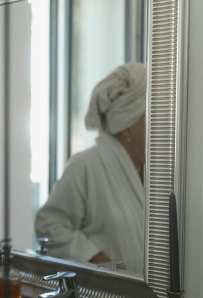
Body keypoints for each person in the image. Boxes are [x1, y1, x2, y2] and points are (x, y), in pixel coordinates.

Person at [34, 62, 146, 273]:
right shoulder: (86, 166)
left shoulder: (160, 171)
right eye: (149, 117)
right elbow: (49, 225)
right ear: (127, 127)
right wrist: (97, 258)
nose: (160, 124)